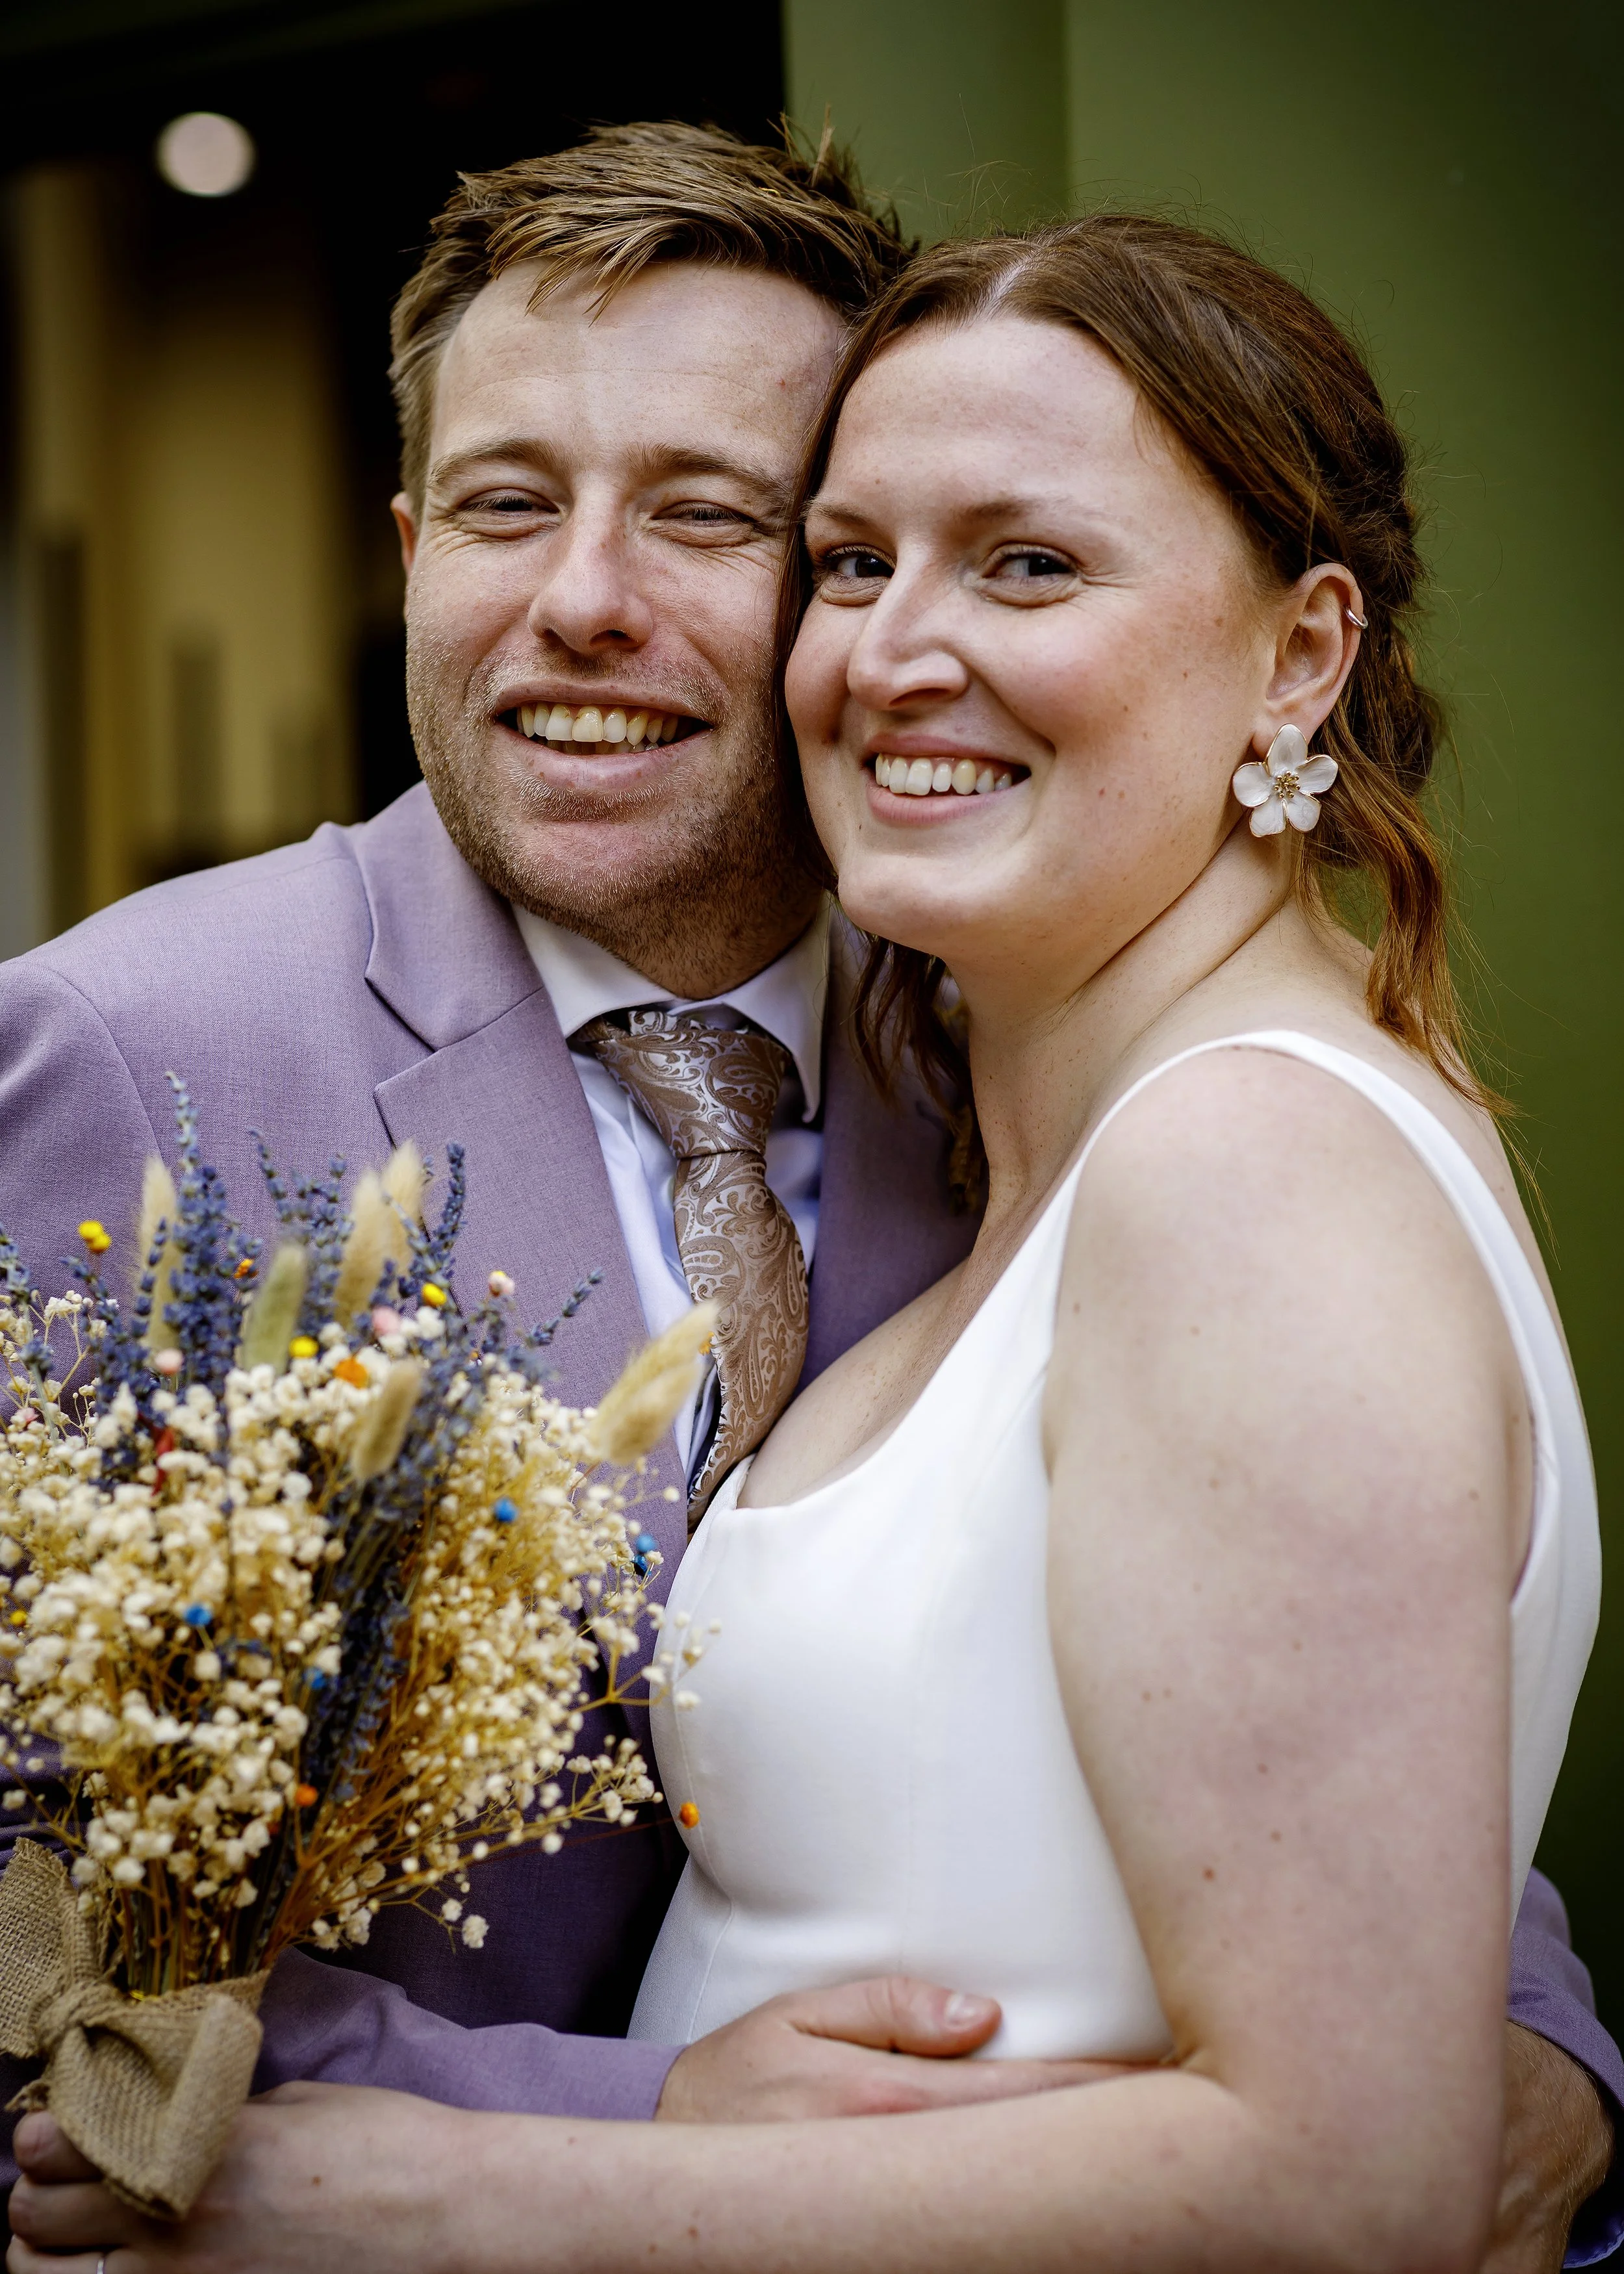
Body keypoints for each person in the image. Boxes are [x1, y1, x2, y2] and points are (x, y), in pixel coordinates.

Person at [1, 149, 1618, 2271]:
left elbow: (1306, 1704)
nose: (584, 596)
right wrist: (625, 2116)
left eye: (710, 515)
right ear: (405, 553)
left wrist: (1529, 2049)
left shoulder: (1020, 1027)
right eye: (502, 504)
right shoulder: (123, 1058)